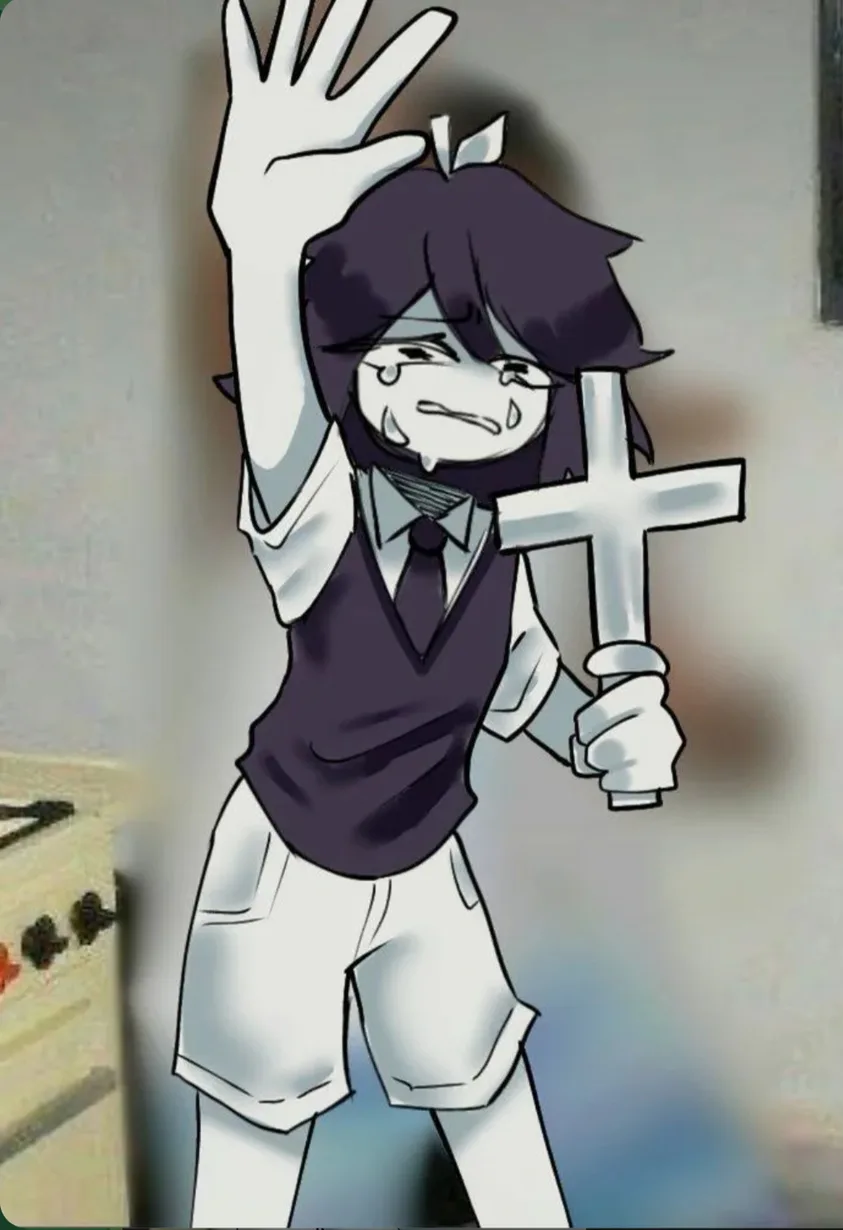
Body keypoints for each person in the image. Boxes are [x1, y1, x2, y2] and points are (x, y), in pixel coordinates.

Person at [173, 1, 685, 1226]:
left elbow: (527, 690)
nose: (473, 393)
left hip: (425, 858)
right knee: (253, 1149)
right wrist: (261, 255)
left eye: (513, 368)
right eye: (424, 347)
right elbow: (282, 424)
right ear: (355, 354)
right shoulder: (318, 517)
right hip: (287, 860)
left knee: (494, 1109)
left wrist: (610, 734)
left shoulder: (502, 543)